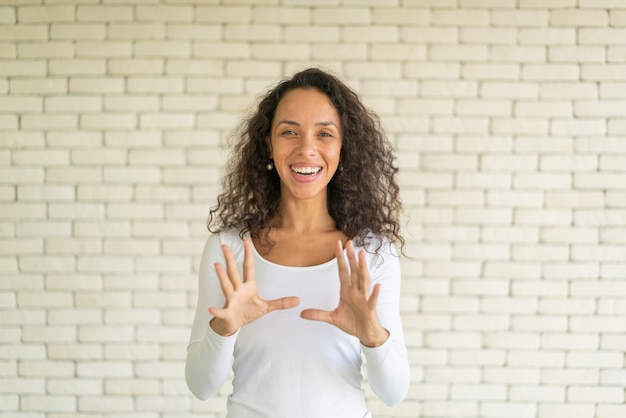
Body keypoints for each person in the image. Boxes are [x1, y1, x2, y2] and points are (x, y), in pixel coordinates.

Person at [185, 67, 410, 417]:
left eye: (324, 134)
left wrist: (371, 334)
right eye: (289, 132)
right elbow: (200, 386)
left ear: (343, 147)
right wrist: (224, 329)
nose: (307, 149)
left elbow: (394, 392)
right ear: (268, 145)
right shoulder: (231, 248)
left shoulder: (371, 251)